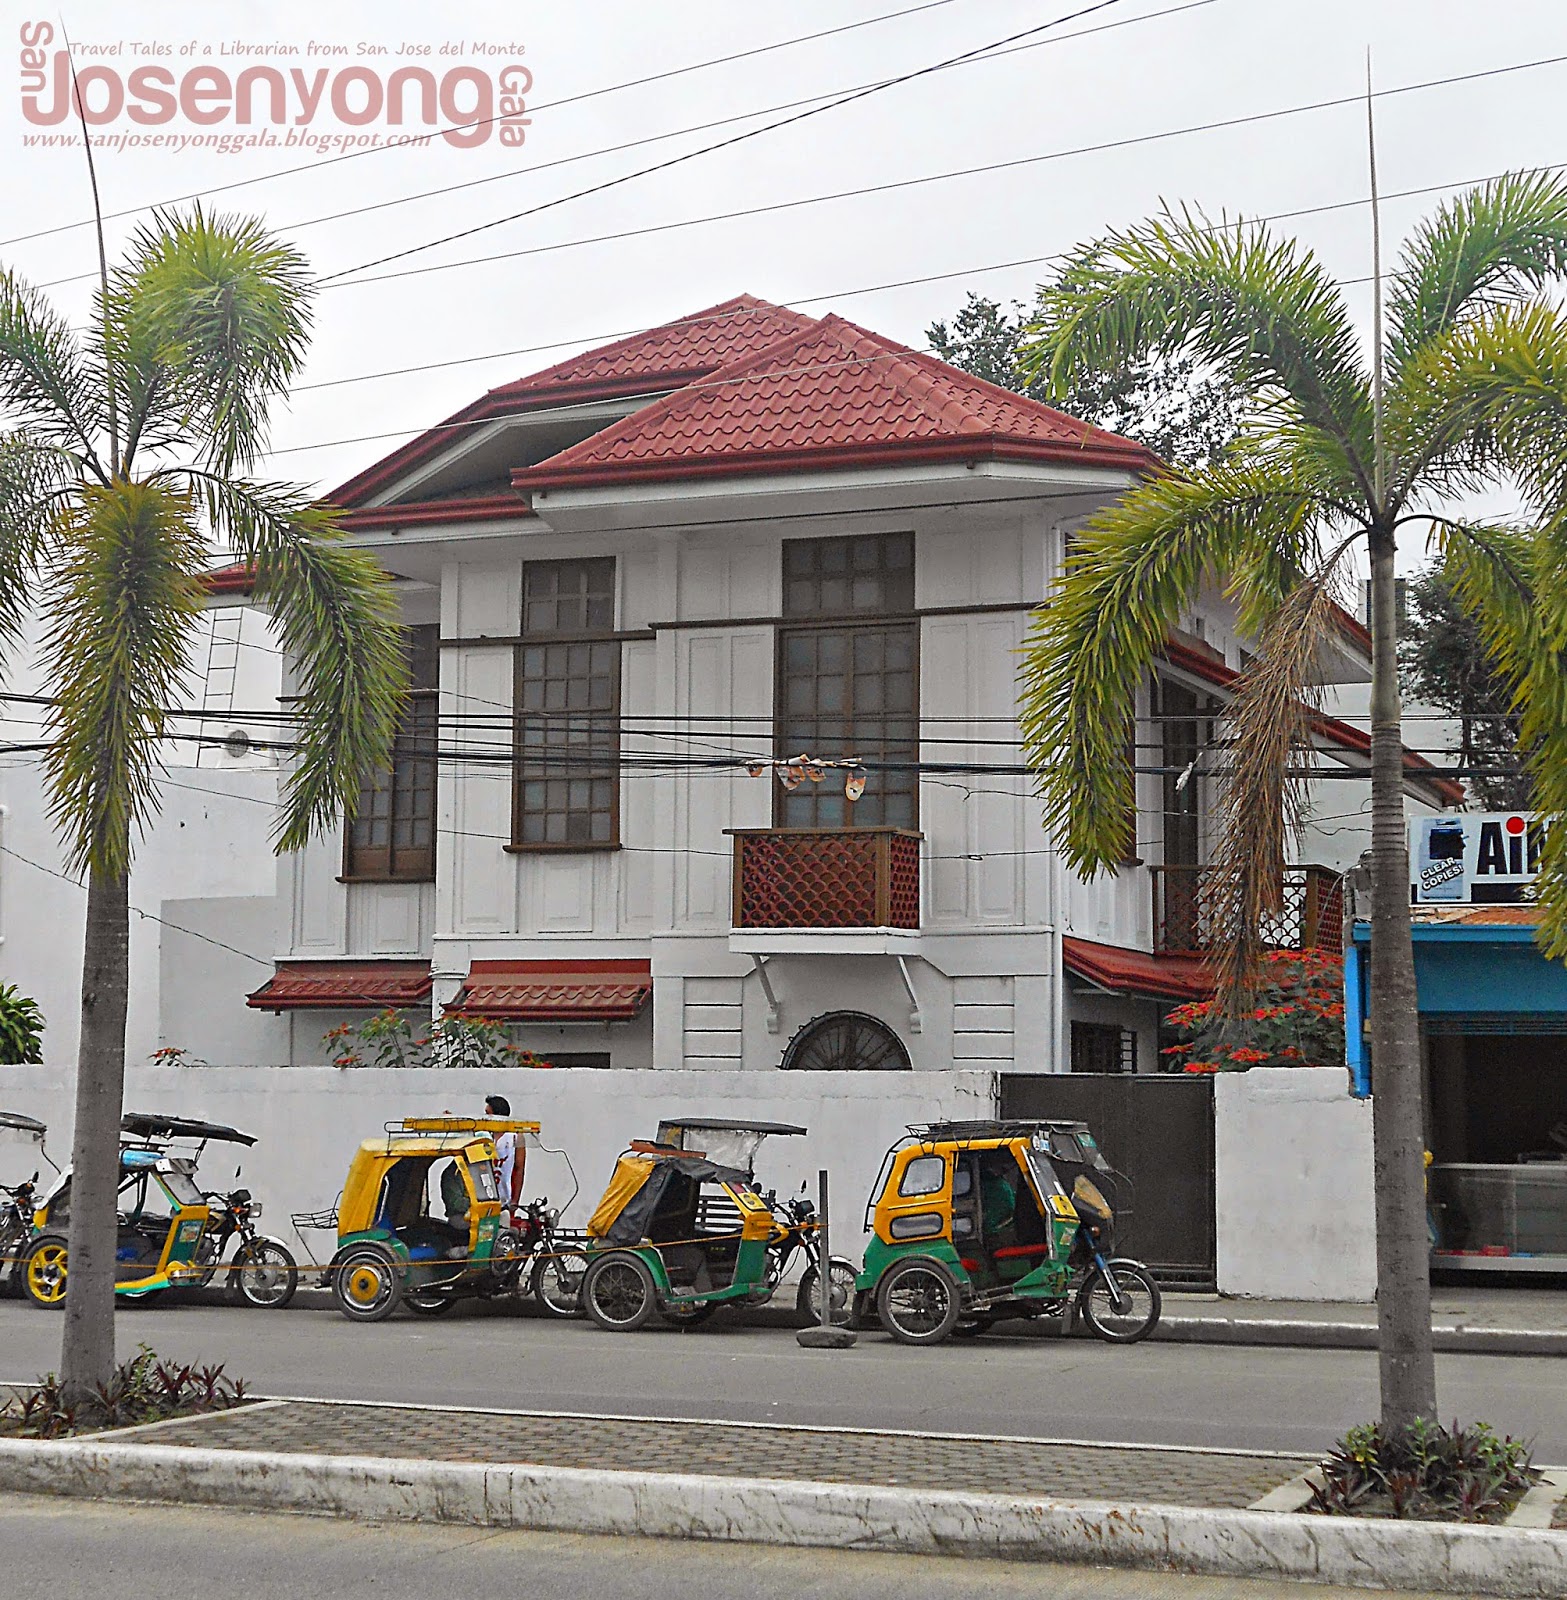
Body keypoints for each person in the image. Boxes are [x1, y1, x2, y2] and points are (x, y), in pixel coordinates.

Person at [486, 1092, 524, 1219]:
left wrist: (515, 1200)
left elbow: (519, 1169)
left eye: (488, 1113)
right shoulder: (484, 1134)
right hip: (484, 1197)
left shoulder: (515, 1135)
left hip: (506, 1196)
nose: (485, 1117)